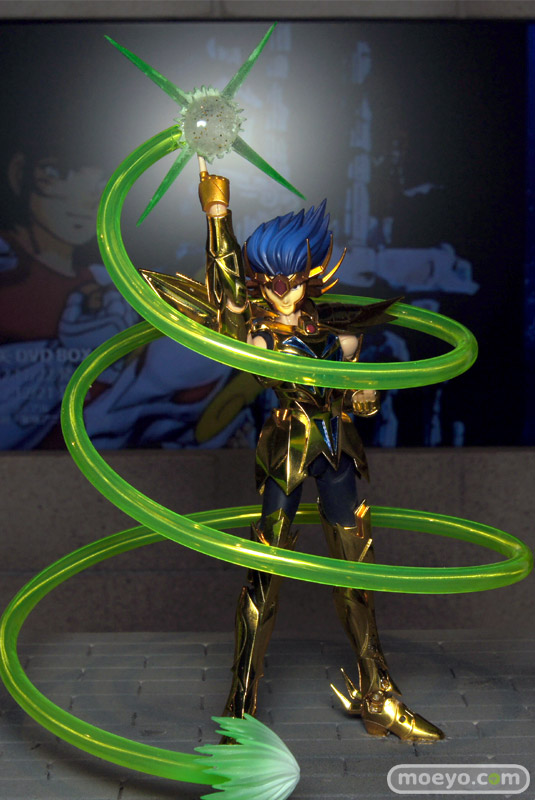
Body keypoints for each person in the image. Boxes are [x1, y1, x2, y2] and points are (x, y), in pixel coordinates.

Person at [141, 164, 444, 742]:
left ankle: (378, 695)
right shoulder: (259, 336)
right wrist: (217, 214)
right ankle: (240, 705)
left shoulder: (343, 333)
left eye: (290, 279)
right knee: (265, 574)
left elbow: (355, 399)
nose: (279, 290)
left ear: (311, 275)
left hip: (337, 451)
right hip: (286, 450)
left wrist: (363, 397)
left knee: (355, 570)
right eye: (268, 280)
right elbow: (229, 309)